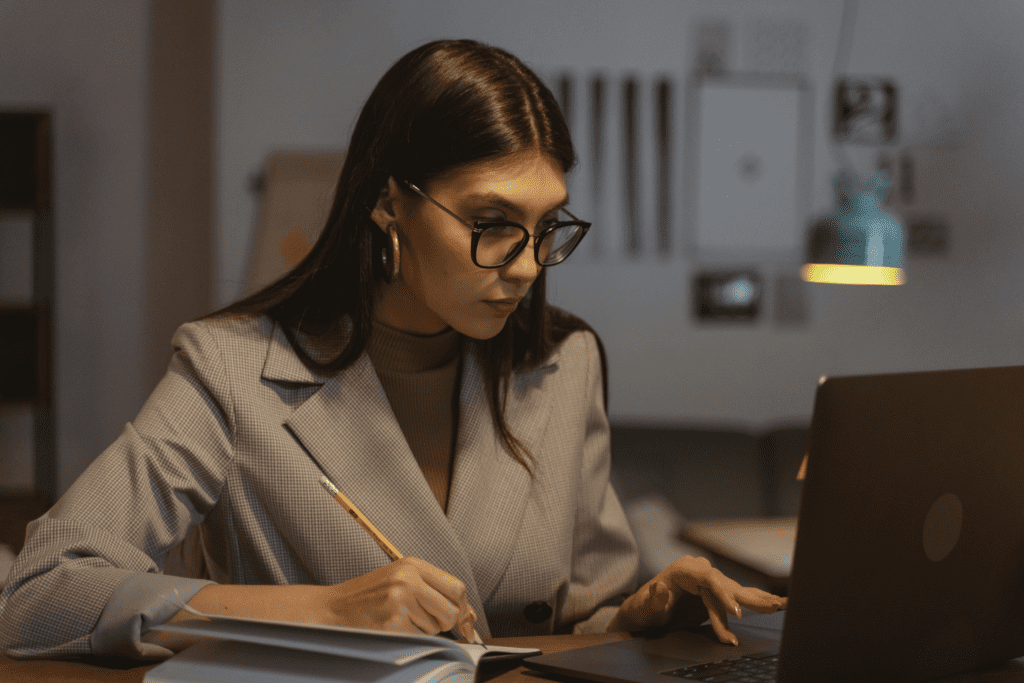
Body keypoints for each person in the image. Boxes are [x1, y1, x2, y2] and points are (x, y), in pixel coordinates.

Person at [0, 39, 784, 661]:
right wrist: (324, 611)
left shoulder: (561, 362)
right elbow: (43, 594)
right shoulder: (232, 369)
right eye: (492, 223)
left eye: (549, 228)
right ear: (388, 203)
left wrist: (644, 611)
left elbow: (578, 619)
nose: (525, 264)